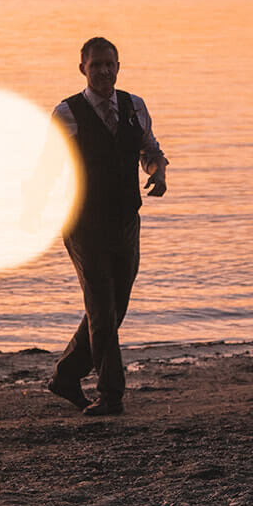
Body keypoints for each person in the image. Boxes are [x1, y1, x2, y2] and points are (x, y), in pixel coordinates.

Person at [46, 36, 169, 416]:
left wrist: (158, 172)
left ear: (119, 67)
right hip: (84, 225)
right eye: (95, 64)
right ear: (82, 68)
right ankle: (111, 394)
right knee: (101, 306)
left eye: (108, 64)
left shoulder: (135, 106)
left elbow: (149, 151)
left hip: (126, 222)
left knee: (114, 310)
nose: (102, 70)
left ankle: (66, 376)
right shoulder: (67, 113)